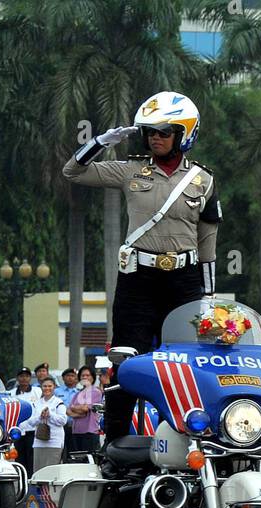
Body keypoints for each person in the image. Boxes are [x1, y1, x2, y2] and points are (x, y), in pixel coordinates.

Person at [63, 90, 220, 445]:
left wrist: (209, 296)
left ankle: (188, 437)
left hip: (185, 280)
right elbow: (73, 172)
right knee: (127, 360)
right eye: (149, 132)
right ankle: (115, 441)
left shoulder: (203, 180)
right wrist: (100, 142)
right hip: (139, 279)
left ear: (184, 134)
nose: (155, 138)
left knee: (185, 362)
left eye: (164, 132)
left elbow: (208, 240)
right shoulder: (130, 170)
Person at [23, 377, 68, 472]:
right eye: (45, 386)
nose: (47, 388)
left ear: (54, 387)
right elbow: (30, 422)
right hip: (39, 441)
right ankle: (40, 487)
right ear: (41, 387)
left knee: (51, 471)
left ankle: (50, 487)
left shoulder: (58, 402)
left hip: (54, 442)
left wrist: (50, 415)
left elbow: (63, 420)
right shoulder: (37, 403)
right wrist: (40, 417)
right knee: (39, 470)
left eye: (50, 386)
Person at [67, 365, 104, 455]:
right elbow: (68, 410)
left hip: (89, 432)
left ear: (93, 377)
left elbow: (85, 409)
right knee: (77, 460)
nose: (85, 377)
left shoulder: (95, 392)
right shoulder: (77, 393)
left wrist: (74, 408)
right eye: (82, 375)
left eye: (87, 375)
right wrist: (78, 413)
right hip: (76, 431)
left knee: (88, 460)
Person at [12, 368, 39, 474]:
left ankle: (31, 479)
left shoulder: (37, 391)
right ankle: (21, 477)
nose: (24, 378)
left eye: (27, 376)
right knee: (19, 457)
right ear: (18, 378)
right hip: (18, 430)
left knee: (31, 457)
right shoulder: (11, 393)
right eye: (22, 376)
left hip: (32, 430)